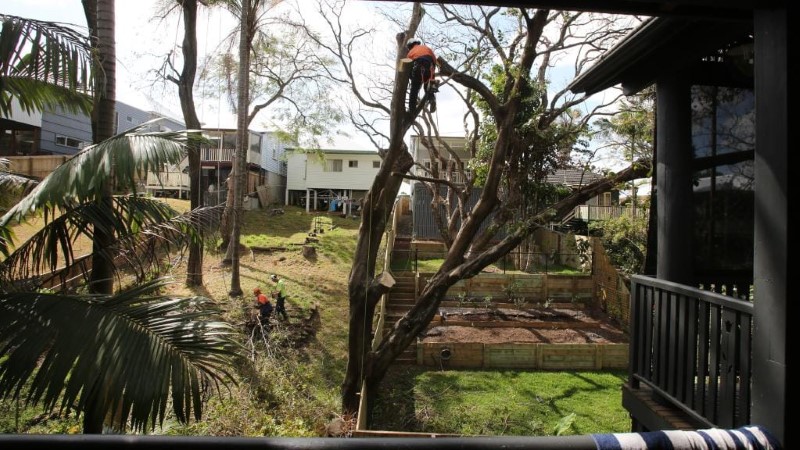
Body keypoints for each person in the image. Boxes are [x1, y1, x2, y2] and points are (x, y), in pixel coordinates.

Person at [406, 37, 437, 114]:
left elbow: (408, 67)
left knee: (414, 89)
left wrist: (411, 77)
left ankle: (411, 109)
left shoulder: (411, 52)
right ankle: (432, 99)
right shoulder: (427, 48)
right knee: (428, 87)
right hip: (431, 68)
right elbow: (434, 61)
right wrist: (432, 76)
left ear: (410, 45)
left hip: (419, 67)